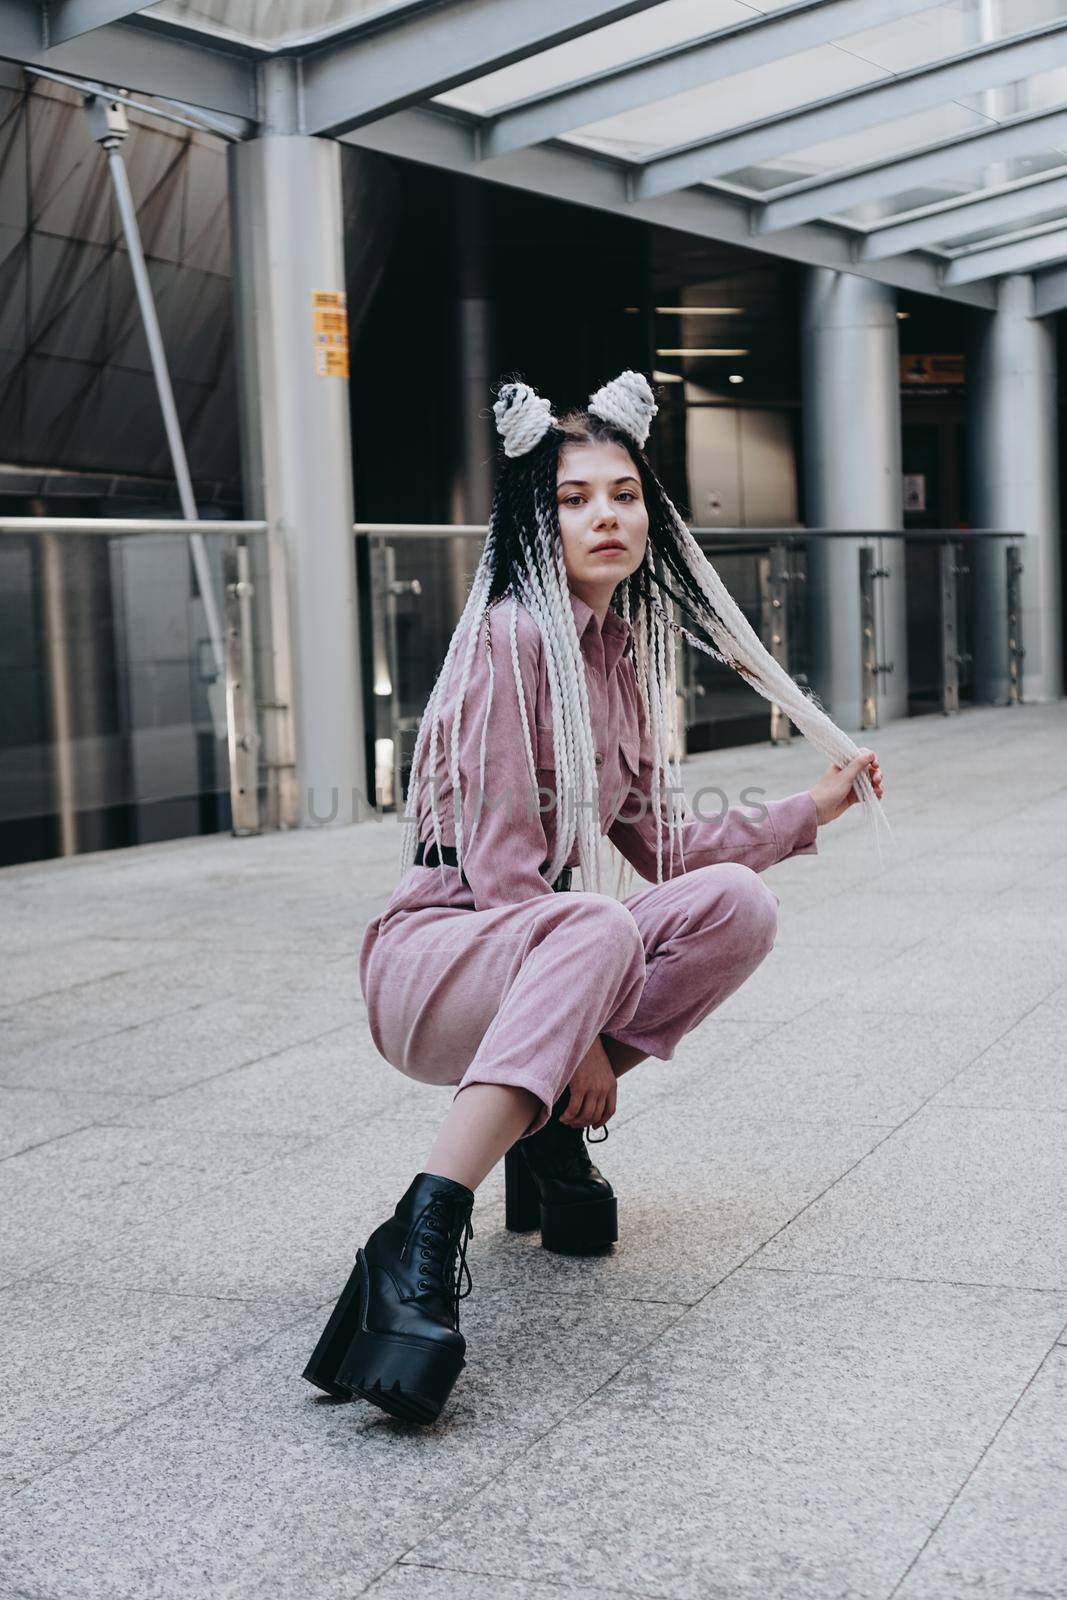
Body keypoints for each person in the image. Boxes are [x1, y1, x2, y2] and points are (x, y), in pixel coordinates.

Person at [302, 369, 887, 1426]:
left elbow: (663, 841)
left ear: (649, 516)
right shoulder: (510, 640)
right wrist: (577, 1042)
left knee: (732, 909)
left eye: (621, 494)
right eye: (574, 498)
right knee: (591, 918)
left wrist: (813, 808)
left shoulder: (616, 654)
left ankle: (537, 1135)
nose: (603, 516)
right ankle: (416, 1240)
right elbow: (500, 872)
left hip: (548, 951)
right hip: (437, 954)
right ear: (538, 519)